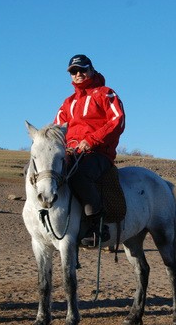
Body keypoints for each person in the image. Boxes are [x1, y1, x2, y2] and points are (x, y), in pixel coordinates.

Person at [54, 54, 126, 247]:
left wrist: (91, 140)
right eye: (73, 72)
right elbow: (57, 129)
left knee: (79, 176)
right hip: (72, 152)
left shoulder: (106, 94)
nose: (78, 74)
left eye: (82, 70)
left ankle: (97, 225)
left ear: (91, 70)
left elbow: (117, 121)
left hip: (97, 153)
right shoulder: (68, 103)